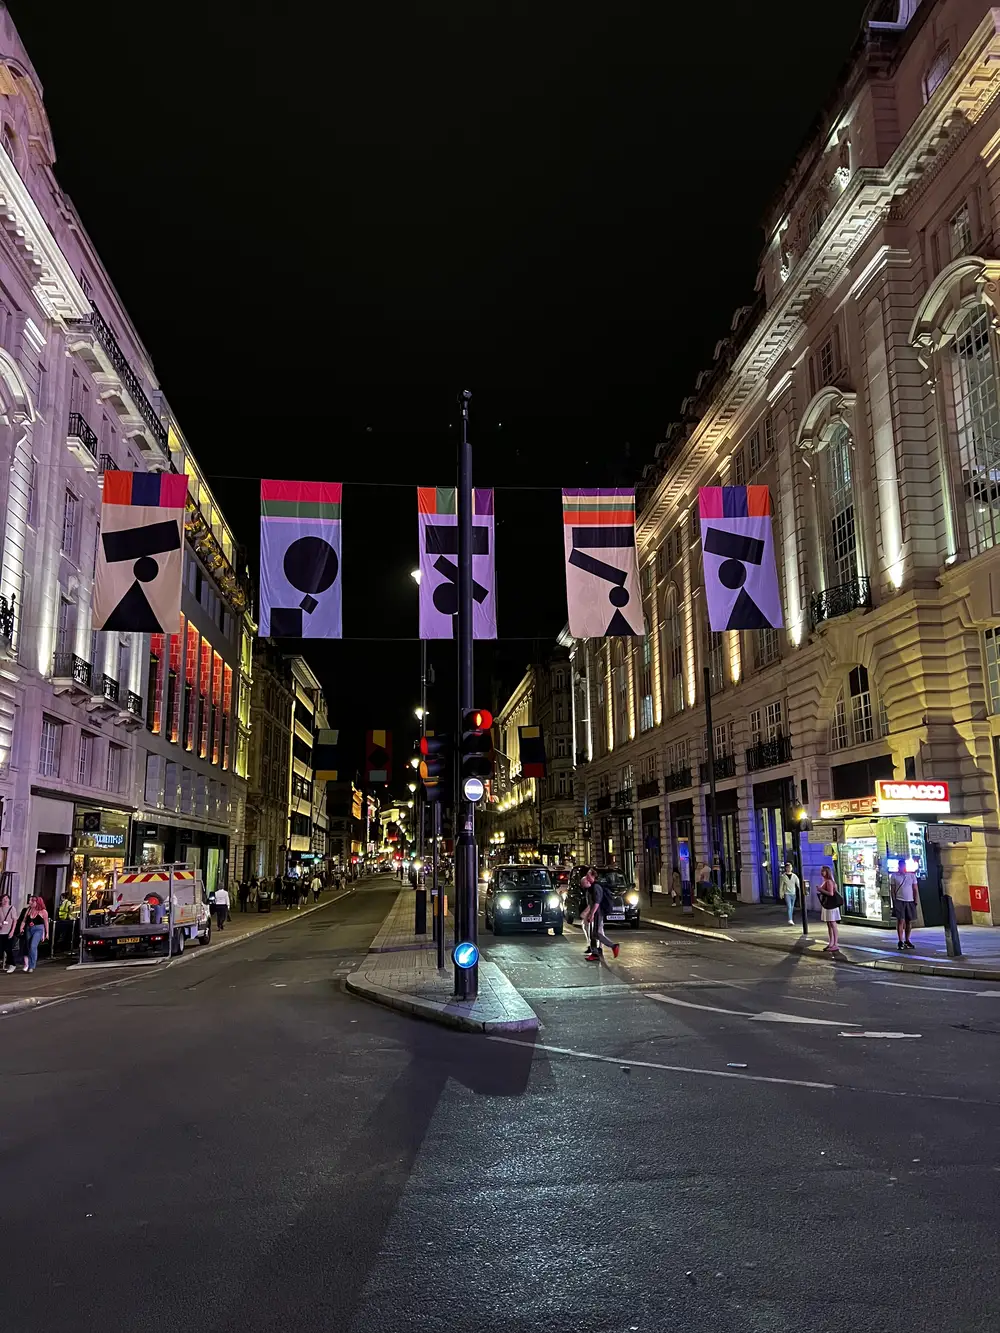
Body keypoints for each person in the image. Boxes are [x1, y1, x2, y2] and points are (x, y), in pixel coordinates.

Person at [580, 866, 620, 962]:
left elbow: (597, 903)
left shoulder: (596, 887)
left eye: (588, 875)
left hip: (598, 912)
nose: (587, 877)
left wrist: (591, 914)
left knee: (596, 933)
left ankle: (613, 946)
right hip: (596, 912)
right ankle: (595, 953)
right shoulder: (593, 887)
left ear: (593, 876)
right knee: (593, 933)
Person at [891, 861, 920, 951]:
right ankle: (900, 941)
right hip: (899, 901)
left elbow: (915, 889)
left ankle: (907, 940)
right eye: (901, 866)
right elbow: (892, 890)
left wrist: (915, 900)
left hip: (910, 901)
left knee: (909, 921)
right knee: (901, 921)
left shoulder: (911, 876)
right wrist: (894, 901)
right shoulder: (894, 876)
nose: (902, 867)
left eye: (903, 866)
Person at [19, 895, 48, 973]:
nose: (29, 902)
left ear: (36, 902)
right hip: (29, 929)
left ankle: (32, 966)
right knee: (28, 946)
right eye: (30, 901)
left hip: (38, 929)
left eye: (31, 901)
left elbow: (46, 923)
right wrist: (21, 927)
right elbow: (24, 920)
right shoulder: (28, 910)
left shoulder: (43, 911)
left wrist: (46, 933)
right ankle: (27, 964)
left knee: (33, 946)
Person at [817, 865, 841, 952]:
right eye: (821, 871)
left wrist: (820, 890)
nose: (822, 872)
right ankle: (831, 942)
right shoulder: (826, 881)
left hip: (831, 905)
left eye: (823, 871)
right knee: (829, 924)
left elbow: (831, 893)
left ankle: (835, 943)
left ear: (827, 872)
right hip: (827, 905)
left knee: (832, 923)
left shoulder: (829, 882)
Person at [779, 860, 800, 925]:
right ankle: (790, 919)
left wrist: (801, 891)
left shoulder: (794, 876)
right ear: (786, 868)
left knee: (792, 907)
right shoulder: (783, 876)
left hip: (793, 893)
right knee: (789, 907)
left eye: (790, 867)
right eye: (787, 867)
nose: (789, 869)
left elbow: (798, 884)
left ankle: (791, 918)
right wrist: (781, 893)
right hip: (787, 893)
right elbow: (781, 886)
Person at [0, 893, 16, 973]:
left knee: (8, 949)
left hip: (8, 932)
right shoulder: (0, 909)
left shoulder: (11, 908)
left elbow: (14, 920)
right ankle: (3, 964)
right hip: (1, 932)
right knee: (1, 949)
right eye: (3, 899)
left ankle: (12, 964)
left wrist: (12, 931)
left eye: (7, 898)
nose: (5, 900)